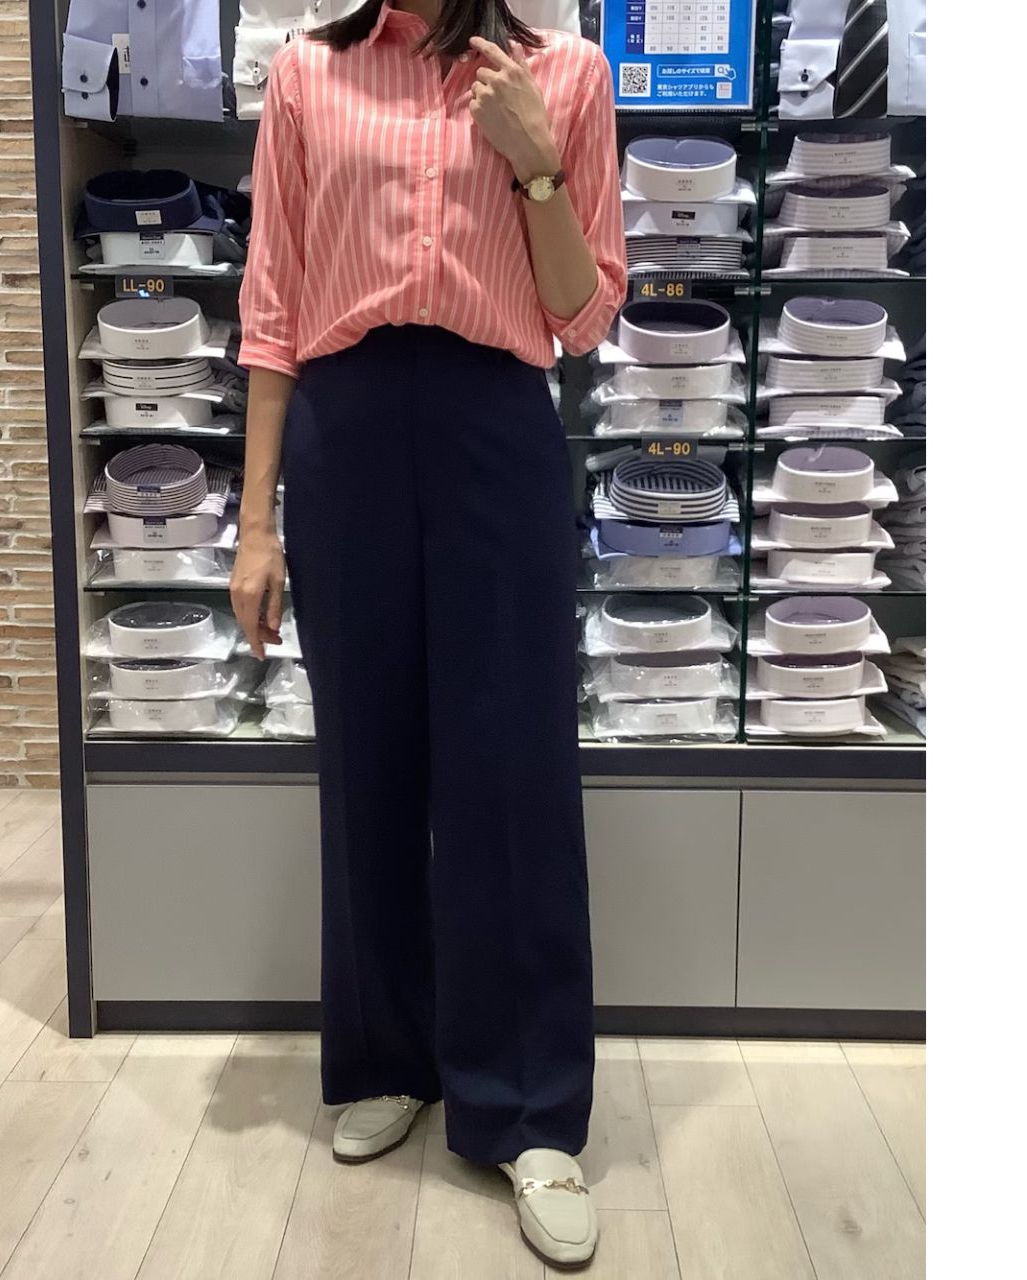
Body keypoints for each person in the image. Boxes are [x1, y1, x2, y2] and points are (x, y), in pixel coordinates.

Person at [230, 0, 625, 1265]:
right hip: (341, 431)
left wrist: (537, 164)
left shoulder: (566, 75)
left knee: (512, 769)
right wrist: (253, 520)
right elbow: (273, 301)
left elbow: (583, 317)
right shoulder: (308, 72)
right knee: (368, 757)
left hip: (492, 420)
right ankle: (388, 1054)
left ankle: (529, 1108)